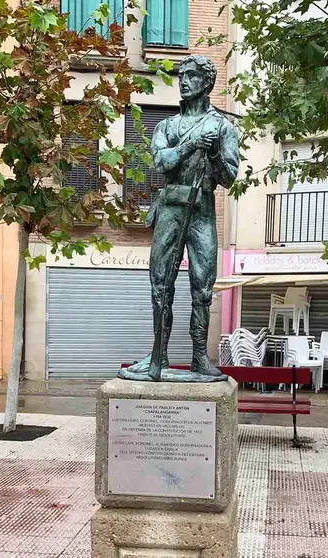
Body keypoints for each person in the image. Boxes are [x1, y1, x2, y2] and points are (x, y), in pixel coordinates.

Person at [120, 54, 239, 382]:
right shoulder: (166, 126)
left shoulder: (223, 128)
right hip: (171, 209)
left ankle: (200, 356)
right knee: (160, 283)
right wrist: (190, 146)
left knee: (202, 287)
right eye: (181, 76)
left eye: (191, 76)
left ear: (207, 82)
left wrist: (214, 153)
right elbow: (161, 163)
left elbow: (228, 177)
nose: (183, 81)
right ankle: (159, 353)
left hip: (201, 210)